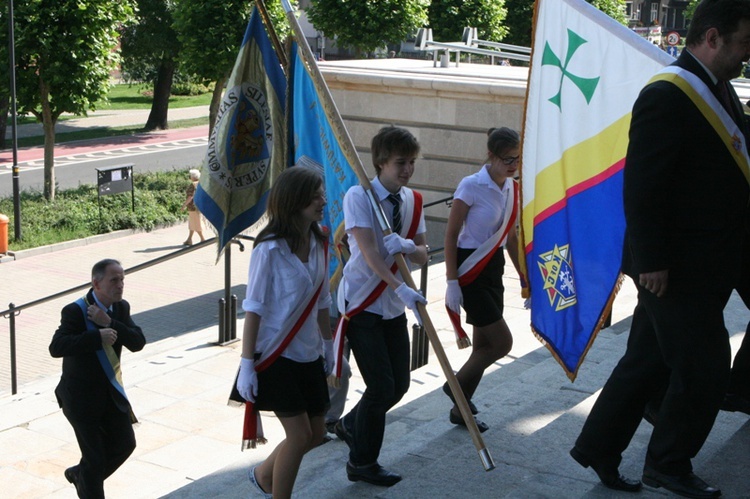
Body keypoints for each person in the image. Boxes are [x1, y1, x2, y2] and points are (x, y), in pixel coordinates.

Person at [570, 1, 750, 497]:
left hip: (708, 258)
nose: (746, 55)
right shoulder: (668, 95)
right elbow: (644, 186)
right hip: (673, 267)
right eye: (742, 43)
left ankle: (599, 447)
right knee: (706, 366)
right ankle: (668, 463)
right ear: (712, 37)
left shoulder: (717, 88)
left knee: (647, 359)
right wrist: (650, 261)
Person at [332, 126, 428, 486]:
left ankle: (351, 424)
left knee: (399, 384)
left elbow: (422, 252)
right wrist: (399, 286)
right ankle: (362, 463)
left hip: (392, 305)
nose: (407, 170)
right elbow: (370, 252)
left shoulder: (413, 200)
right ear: (380, 163)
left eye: (412, 162)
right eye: (400, 163)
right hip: (363, 302)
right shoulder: (359, 196)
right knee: (381, 386)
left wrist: (407, 247)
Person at [232, 167, 334, 499]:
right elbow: (254, 308)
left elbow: (322, 299)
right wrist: (247, 363)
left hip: (309, 351)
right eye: (316, 195)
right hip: (277, 355)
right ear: (295, 201)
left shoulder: (320, 239)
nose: (323, 200)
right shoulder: (269, 249)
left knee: (317, 433)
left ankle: (263, 474)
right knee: (300, 435)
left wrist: (330, 345)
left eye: (322, 192)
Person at [443, 127, 522, 433]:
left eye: (517, 158)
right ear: (491, 156)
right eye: (507, 159)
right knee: (502, 343)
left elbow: (511, 237)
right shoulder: (471, 185)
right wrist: (451, 281)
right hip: (469, 267)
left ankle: (459, 410)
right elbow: (450, 235)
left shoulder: (511, 188)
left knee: (483, 345)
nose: (513, 164)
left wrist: (523, 278)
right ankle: (456, 387)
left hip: (493, 266)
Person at [49, 258, 146, 498]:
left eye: (122, 279)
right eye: (114, 280)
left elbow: (138, 342)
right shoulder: (75, 311)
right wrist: (97, 337)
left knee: (125, 444)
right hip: (80, 399)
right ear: (97, 283)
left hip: (110, 396)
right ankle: (86, 479)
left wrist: (109, 323)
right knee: (95, 458)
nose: (120, 285)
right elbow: (56, 346)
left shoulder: (120, 308)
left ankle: (80, 475)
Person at [181, 169, 205, 245]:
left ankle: (202, 239)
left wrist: (184, 206)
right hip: (199, 205)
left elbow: (190, 197)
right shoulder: (200, 183)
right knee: (192, 223)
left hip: (193, 207)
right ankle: (189, 239)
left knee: (196, 223)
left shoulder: (193, 185)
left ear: (193, 177)